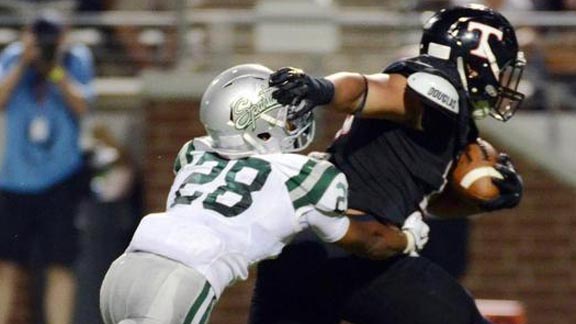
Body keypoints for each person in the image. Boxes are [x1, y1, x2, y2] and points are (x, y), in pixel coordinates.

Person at [249, 5, 525, 324]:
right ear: (478, 63)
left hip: (301, 248)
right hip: (356, 248)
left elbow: (424, 200)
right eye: (500, 68)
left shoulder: (445, 119)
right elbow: (367, 89)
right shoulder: (439, 87)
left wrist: (483, 201)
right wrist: (322, 88)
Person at [98, 63, 430, 324]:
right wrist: (408, 239)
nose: (292, 125)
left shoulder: (194, 152)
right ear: (260, 125)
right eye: (285, 119)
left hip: (123, 271)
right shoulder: (302, 177)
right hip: (180, 280)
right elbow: (365, 238)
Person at [0, 10, 94, 324]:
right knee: (7, 264)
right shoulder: (14, 57)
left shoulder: (74, 59)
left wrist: (53, 69)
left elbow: (82, 106)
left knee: (60, 265)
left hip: (61, 180)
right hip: (14, 181)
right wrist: (25, 61)